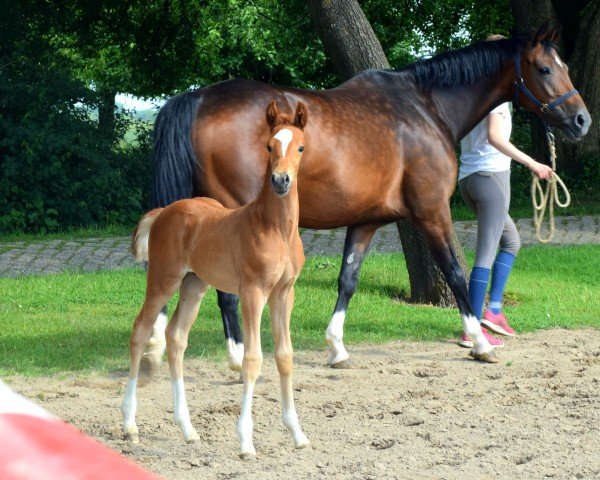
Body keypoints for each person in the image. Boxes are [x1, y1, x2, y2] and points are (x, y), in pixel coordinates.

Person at [458, 48, 553, 348]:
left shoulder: (473, 97)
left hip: (469, 180)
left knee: (511, 241)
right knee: (485, 253)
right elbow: (496, 139)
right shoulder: (497, 102)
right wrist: (533, 163)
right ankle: (472, 329)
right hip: (492, 180)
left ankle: (494, 311)